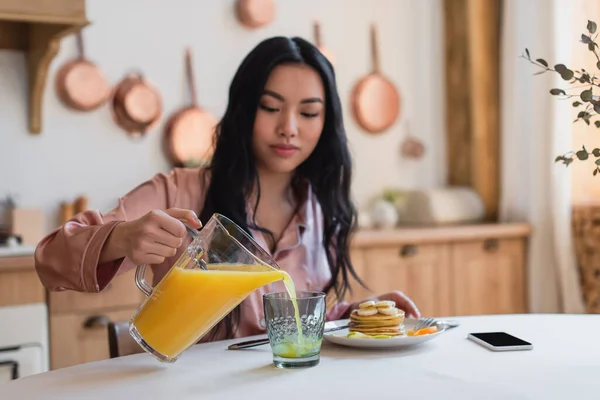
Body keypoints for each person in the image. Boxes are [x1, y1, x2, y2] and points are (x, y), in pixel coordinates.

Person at [34, 36, 420, 342]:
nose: (289, 126)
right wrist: (120, 238)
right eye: (270, 108)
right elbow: (49, 260)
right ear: (242, 110)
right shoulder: (179, 191)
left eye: (308, 113)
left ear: (327, 123)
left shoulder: (318, 208)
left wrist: (358, 314)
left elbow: (290, 325)